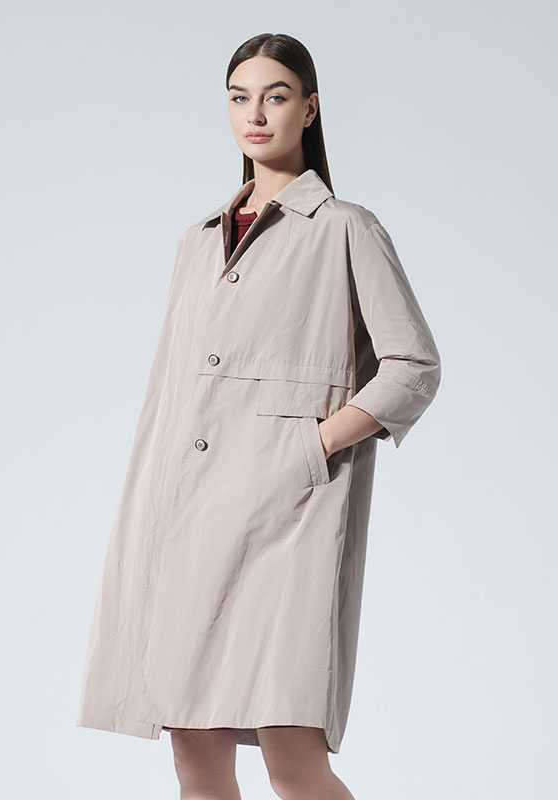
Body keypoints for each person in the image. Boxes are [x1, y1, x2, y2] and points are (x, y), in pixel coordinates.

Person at [76, 32, 442, 800]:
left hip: (290, 521)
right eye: (240, 97)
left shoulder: (344, 228)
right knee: (195, 754)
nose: (256, 113)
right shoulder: (196, 242)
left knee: (291, 757)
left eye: (276, 96)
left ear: (309, 109)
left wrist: (310, 447)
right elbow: (173, 392)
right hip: (188, 519)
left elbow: (412, 367)